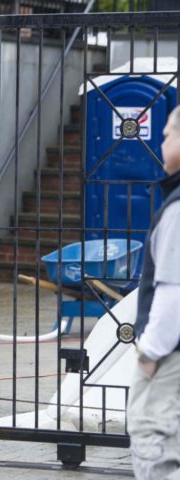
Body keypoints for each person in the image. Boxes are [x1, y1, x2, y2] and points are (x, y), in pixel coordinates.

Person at [128, 105, 180, 480]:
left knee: (154, 445)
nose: (161, 141)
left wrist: (150, 352)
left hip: (169, 356)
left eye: (168, 134)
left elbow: (174, 289)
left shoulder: (177, 210)